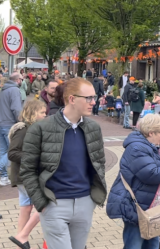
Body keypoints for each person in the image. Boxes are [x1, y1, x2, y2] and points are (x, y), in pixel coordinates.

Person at [20, 78, 107, 249]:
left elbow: (99, 163)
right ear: (72, 99)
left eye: (94, 97)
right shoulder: (40, 129)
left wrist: (92, 199)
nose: (93, 102)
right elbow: (27, 170)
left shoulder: (93, 128)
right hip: (54, 204)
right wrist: (41, 202)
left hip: (84, 202)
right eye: (88, 98)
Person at [106, 114, 160, 249]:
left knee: (152, 244)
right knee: (134, 244)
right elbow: (153, 174)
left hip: (148, 208)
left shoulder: (148, 146)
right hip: (137, 208)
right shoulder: (137, 148)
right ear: (151, 133)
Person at [7, 99, 47, 249]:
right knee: (44, 205)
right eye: (42, 112)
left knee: (26, 208)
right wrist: (34, 157)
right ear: (33, 113)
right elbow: (12, 153)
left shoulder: (33, 128)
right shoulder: (23, 130)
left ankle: (20, 240)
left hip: (23, 176)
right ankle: (23, 235)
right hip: (26, 177)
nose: (45, 115)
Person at [0, 73, 24, 186]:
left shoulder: (2, 89)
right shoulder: (15, 90)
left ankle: (3, 177)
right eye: (22, 79)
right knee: (11, 151)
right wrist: (21, 121)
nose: (23, 81)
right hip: (9, 124)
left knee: (3, 151)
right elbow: (16, 108)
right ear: (18, 80)